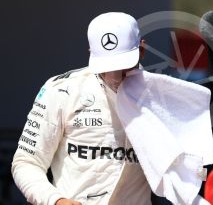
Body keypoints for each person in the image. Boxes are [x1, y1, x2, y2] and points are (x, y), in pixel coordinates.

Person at [11, 12, 152, 205]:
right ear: (90, 53)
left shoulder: (161, 98)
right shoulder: (61, 90)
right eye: (107, 66)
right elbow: (26, 162)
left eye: (123, 65)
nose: (114, 75)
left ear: (141, 50)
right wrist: (56, 201)